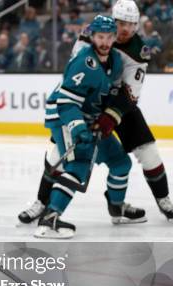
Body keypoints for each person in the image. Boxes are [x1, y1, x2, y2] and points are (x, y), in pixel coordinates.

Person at [19, 0, 173, 226]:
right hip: (87, 103)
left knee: (148, 152)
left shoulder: (138, 50)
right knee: (60, 154)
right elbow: (77, 76)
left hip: (119, 104)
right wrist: (78, 119)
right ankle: (42, 203)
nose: (125, 29)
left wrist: (110, 115)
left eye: (131, 24)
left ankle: (162, 199)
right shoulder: (92, 35)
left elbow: (130, 94)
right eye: (121, 23)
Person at [34, 15, 145, 239]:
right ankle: (50, 218)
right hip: (64, 116)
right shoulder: (84, 62)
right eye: (100, 37)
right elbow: (66, 103)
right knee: (79, 165)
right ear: (92, 37)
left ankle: (116, 207)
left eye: (108, 37)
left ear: (114, 38)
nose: (104, 42)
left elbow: (112, 95)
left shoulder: (115, 62)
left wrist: (108, 117)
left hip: (91, 119)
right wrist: (77, 128)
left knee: (120, 162)